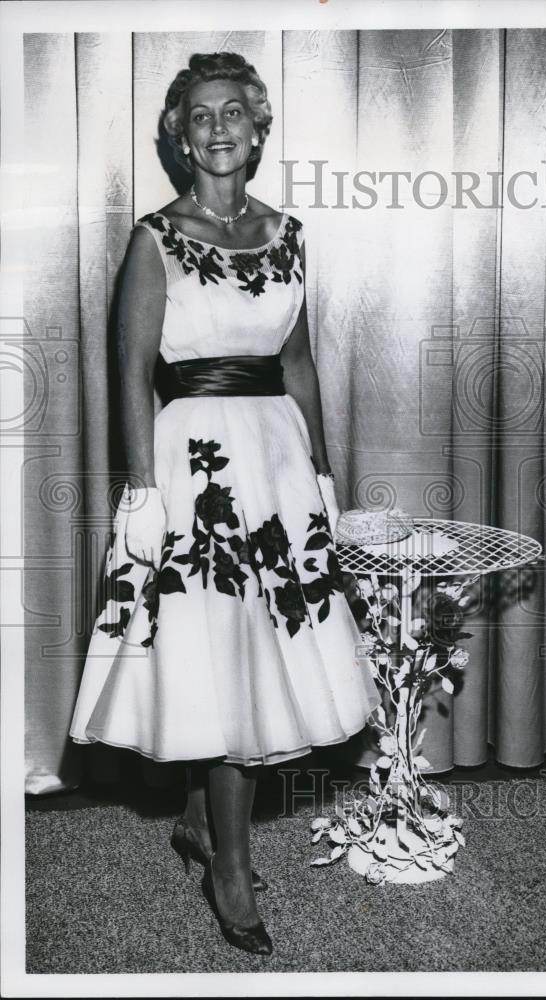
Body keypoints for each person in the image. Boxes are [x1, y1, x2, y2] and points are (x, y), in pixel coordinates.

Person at [69, 51, 381, 957]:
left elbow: (299, 363)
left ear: (257, 128)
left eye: (234, 111)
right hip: (195, 463)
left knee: (258, 645)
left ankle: (205, 824)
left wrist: (323, 471)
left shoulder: (288, 233)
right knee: (219, 651)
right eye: (199, 113)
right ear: (178, 132)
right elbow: (130, 374)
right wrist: (140, 491)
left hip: (277, 461)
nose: (217, 127)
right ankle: (232, 871)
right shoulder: (154, 238)